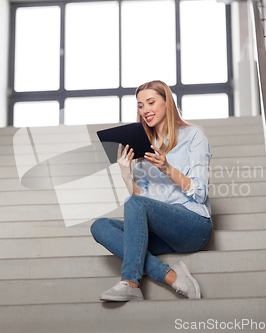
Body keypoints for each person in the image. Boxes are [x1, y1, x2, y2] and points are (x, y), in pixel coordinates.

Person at [90, 80, 213, 301]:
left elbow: (200, 192)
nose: (145, 110)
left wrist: (166, 167)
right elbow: (141, 203)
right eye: (140, 105)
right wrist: (126, 174)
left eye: (150, 102)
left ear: (167, 103)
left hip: (194, 226)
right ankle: (169, 275)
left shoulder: (194, 136)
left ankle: (130, 282)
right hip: (160, 230)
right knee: (100, 226)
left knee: (135, 206)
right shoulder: (142, 147)